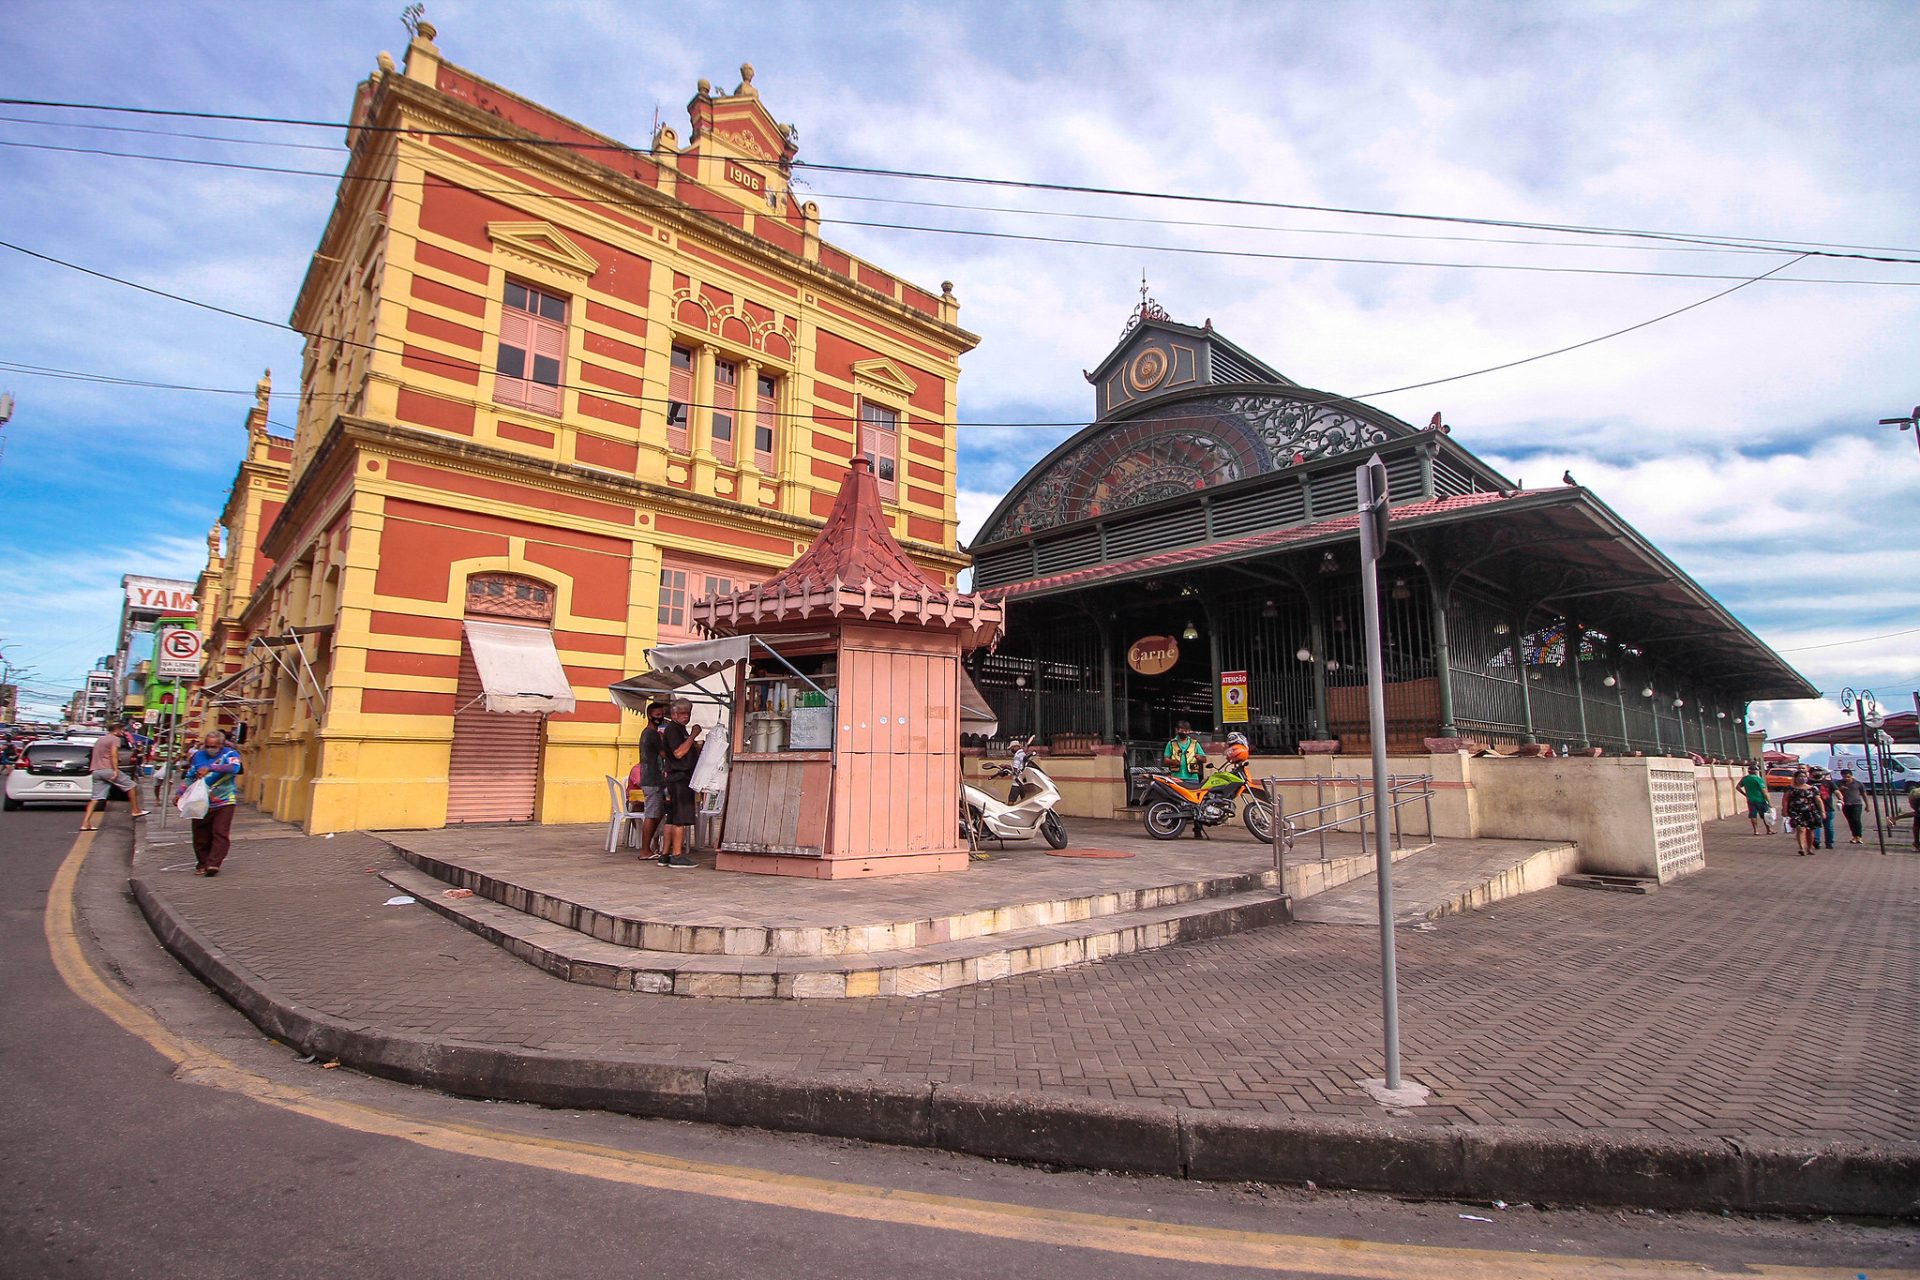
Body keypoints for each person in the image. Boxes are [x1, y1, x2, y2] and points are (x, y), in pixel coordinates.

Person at [183, 729, 243, 875]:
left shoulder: (230, 754)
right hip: (200, 800)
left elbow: (234, 768)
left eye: (214, 746)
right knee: (200, 834)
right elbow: (190, 775)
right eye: (208, 746)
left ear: (221, 745)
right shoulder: (198, 755)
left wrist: (210, 767)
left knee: (220, 832)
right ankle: (202, 862)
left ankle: (213, 864)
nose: (210, 749)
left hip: (225, 800)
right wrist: (180, 793)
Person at [656, 699, 702, 868]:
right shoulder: (673, 730)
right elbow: (678, 753)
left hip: (679, 779)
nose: (685, 716)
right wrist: (693, 735)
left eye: (687, 713)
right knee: (679, 819)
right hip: (679, 779)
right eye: (682, 713)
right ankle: (677, 854)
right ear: (674, 714)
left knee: (672, 818)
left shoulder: (679, 730)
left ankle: (665, 854)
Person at [80, 720, 149, 830]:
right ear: (116, 729)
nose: (123, 731)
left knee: (95, 798)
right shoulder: (115, 739)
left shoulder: (100, 739)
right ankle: (136, 810)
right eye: (121, 729)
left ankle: (85, 823)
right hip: (108, 769)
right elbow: (114, 755)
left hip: (96, 770)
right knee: (132, 786)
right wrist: (116, 770)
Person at [625, 700, 670, 862]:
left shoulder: (648, 733)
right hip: (652, 778)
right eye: (658, 715)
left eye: (662, 715)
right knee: (652, 814)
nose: (661, 718)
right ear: (650, 715)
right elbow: (665, 754)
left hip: (652, 778)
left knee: (656, 813)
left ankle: (650, 847)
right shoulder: (651, 734)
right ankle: (645, 850)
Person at [1782, 768, 1825, 857]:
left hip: (1810, 811)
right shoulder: (1790, 788)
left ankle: (1809, 848)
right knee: (1800, 829)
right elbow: (1785, 799)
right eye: (1800, 776)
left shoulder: (1812, 788)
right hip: (1796, 811)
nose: (1802, 778)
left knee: (1810, 830)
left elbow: (1818, 800)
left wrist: (1822, 811)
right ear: (1796, 778)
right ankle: (1802, 848)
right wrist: (1784, 810)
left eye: (1804, 776)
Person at [1161, 721, 1205, 786]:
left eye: (1186, 731)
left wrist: (1199, 757)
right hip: (1176, 778)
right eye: (1182, 730)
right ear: (1177, 730)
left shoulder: (1195, 744)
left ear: (1189, 731)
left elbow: (1204, 759)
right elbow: (1165, 760)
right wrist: (1173, 762)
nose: (1184, 733)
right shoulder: (1171, 743)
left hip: (1192, 778)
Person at [1735, 765, 1772, 835]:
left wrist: (1745, 794)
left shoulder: (1745, 778)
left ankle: (1756, 831)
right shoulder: (1758, 779)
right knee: (1765, 815)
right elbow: (1764, 791)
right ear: (1756, 771)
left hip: (1750, 800)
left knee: (1753, 815)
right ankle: (1769, 829)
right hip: (1760, 799)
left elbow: (1737, 787)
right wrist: (1769, 801)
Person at [1835, 769, 1867, 845]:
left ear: (1851, 776)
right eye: (1844, 777)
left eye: (1848, 777)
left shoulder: (1858, 783)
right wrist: (1840, 789)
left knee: (1856, 819)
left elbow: (1864, 794)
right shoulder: (1839, 783)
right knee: (1850, 821)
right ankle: (1854, 836)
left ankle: (1859, 836)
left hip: (1857, 804)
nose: (1846, 779)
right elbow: (1834, 791)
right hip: (1845, 804)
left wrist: (1867, 805)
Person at [1808, 767, 1836, 850]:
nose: (1817, 773)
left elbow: (1836, 791)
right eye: (1815, 772)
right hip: (1814, 808)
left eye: (1819, 772)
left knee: (1828, 826)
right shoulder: (1808, 783)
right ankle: (1816, 841)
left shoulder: (1829, 783)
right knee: (1817, 826)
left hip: (1828, 808)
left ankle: (1829, 843)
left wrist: (1840, 799)